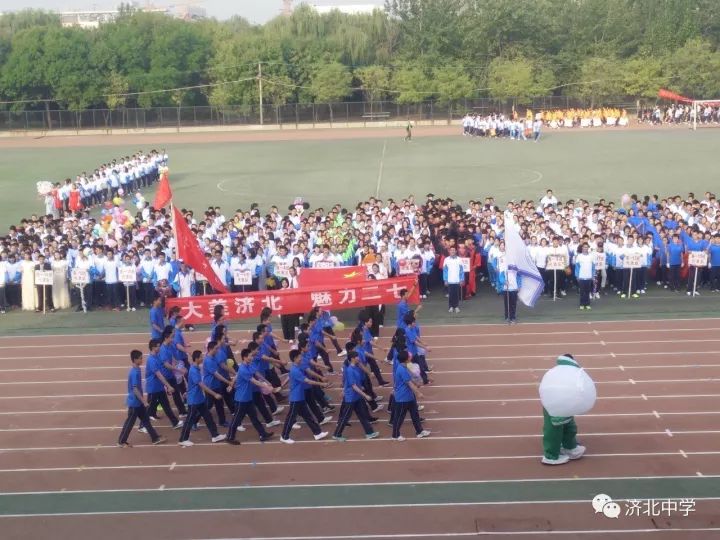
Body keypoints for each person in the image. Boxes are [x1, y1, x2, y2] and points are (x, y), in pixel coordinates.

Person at [541, 354, 586, 465]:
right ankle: (551, 455)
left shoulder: (567, 373)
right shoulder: (557, 374)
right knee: (554, 430)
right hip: (553, 404)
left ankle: (570, 447)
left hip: (566, 403)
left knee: (569, 426)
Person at [225, 348, 276, 445]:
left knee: (254, 417)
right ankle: (230, 437)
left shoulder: (248, 366)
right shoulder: (244, 369)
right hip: (241, 399)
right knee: (237, 419)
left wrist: (231, 383)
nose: (252, 357)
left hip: (247, 398)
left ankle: (262, 434)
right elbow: (254, 381)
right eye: (250, 356)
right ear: (245, 357)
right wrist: (268, 387)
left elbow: (255, 374)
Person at [280, 349, 330, 444]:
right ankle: (284, 436)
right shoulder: (295, 370)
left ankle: (317, 433)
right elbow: (308, 381)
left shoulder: (297, 367)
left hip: (300, 397)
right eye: (299, 357)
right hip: (295, 398)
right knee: (290, 417)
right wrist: (321, 383)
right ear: (295, 358)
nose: (301, 358)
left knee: (307, 416)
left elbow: (308, 372)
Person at [117, 349, 166, 447]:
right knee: (130, 423)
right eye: (140, 358)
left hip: (138, 403)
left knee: (146, 420)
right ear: (135, 360)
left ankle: (155, 438)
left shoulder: (137, 369)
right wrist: (144, 401)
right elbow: (135, 389)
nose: (142, 360)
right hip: (135, 403)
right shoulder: (135, 372)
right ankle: (121, 441)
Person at [178, 350, 227, 447]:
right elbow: (201, 385)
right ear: (196, 359)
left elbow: (192, 383)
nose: (202, 358)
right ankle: (183, 439)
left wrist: (187, 391)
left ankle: (215, 435)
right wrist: (214, 394)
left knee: (208, 417)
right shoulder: (193, 370)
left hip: (199, 399)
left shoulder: (196, 368)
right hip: (194, 400)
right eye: (201, 357)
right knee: (189, 420)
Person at [332, 350, 380, 442]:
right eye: (357, 357)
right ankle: (337, 434)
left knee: (362, 415)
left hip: (357, 397)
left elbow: (352, 382)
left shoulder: (356, 368)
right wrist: (365, 395)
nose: (359, 358)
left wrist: (360, 387)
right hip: (351, 398)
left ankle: (369, 433)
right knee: (345, 417)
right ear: (352, 359)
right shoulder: (349, 370)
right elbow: (353, 386)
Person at [144, 338, 183, 430]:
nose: (160, 348)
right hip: (154, 387)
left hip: (159, 387)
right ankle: (143, 425)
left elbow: (163, 368)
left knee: (166, 405)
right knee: (150, 408)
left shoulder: (157, 356)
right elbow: (159, 375)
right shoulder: (151, 360)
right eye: (158, 346)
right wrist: (168, 386)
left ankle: (175, 422)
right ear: (153, 348)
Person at [391, 350, 430, 441]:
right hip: (402, 398)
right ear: (406, 359)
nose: (410, 357)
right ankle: (395, 435)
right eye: (409, 356)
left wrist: (417, 383)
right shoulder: (402, 369)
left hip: (409, 396)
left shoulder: (405, 367)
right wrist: (418, 392)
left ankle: (419, 431)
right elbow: (409, 383)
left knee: (415, 415)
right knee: (399, 417)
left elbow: (411, 380)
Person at [496, 257, 519, 324]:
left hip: (514, 288)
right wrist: (504, 281)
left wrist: (519, 285)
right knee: (507, 304)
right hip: (506, 288)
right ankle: (507, 317)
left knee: (513, 304)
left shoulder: (516, 267)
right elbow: (501, 276)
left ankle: (513, 317)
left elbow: (519, 277)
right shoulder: (504, 267)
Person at [442, 247, 464, 313]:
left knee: (456, 294)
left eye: (454, 250)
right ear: (449, 251)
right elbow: (445, 270)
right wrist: (445, 279)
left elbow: (461, 270)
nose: (452, 251)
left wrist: (461, 279)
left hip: (457, 280)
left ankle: (456, 306)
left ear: (456, 251)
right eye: (451, 250)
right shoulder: (446, 259)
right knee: (450, 294)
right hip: (450, 280)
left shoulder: (459, 259)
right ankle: (451, 307)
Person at [574, 243, 595, 310]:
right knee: (582, 291)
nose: (585, 248)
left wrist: (593, 275)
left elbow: (593, 267)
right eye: (584, 247)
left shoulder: (591, 256)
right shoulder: (579, 256)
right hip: (581, 277)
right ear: (582, 248)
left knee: (588, 291)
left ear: (588, 248)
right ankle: (582, 304)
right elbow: (577, 267)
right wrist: (577, 276)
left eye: (586, 247)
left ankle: (587, 304)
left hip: (589, 277)